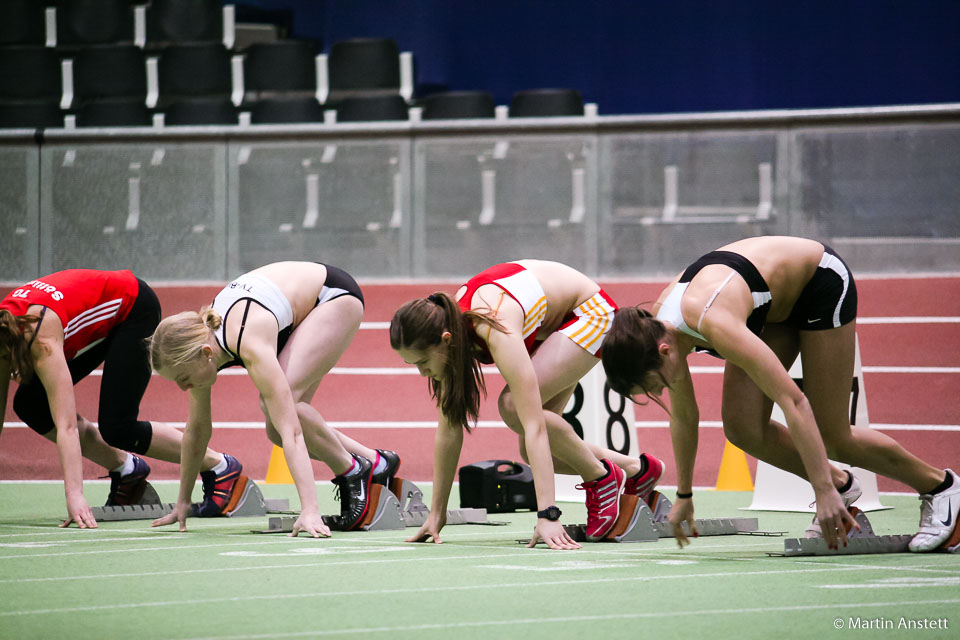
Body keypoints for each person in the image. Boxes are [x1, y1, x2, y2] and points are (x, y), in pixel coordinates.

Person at [600, 235, 959, 552]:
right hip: (773, 309)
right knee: (742, 428)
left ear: (664, 352)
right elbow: (684, 416)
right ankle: (842, 485)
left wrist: (820, 491)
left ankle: (942, 488)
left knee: (833, 436)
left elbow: (793, 400)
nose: (660, 390)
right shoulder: (659, 333)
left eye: (653, 385)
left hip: (818, 285)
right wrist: (685, 496)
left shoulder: (712, 320)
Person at [389, 260, 664, 550]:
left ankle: (601, 477)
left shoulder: (493, 323)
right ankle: (637, 469)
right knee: (537, 451)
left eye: (422, 362)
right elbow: (448, 430)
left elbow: (534, 425)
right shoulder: (448, 330)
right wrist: (436, 513)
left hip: (588, 314)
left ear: (445, 340)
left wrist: (548, 515)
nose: (421, 373)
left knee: (512, 407)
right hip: (550, 324)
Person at [148, 262, 400, 537]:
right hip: (293, 310)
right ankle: (376, 462)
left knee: (280, 411)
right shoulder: (200, 344)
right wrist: (183, 501)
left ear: (206, 353)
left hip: (333, 298)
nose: (184, 388)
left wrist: (310, 510)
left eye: (183, 378)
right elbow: (196, 431)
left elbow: (292, 432)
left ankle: (352, 470)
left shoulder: (248, 339)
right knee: (275, 430)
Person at [0, 268, 241, 528]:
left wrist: (74, 494)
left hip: (133, 309)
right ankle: (127, 470)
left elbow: (66, 424)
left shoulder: (41, 338)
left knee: (118, 427)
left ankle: (219, 466)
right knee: (30, 405)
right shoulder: (6, 329)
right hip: (94, 318)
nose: (14, 374)